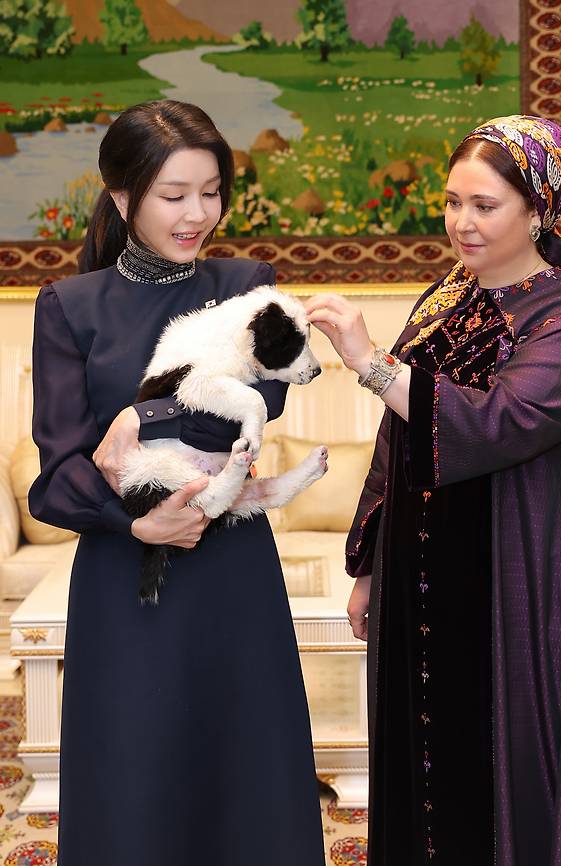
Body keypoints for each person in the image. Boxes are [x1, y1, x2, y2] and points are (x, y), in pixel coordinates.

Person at [306, 115, 561, 866]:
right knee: (423, 764)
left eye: (484, 206)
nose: (461, 222)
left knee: (515, 771)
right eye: (452, 201)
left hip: (521, 587)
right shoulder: (446, 297)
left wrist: (369, 360)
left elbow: (498, 423)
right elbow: (399, 446)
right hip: (422, 577)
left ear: (538, 210)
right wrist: (368, 565)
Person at [28, 99, 324, 865]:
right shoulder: (68, 307)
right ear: (122, 197)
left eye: (213, 191)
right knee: (134, 778)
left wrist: (136, 418)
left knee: (250, 772)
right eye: (174, 195)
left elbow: (258, 407)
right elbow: (57, 478)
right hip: (130, 580)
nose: (199, 214)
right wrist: (136, 524)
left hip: (233, 574)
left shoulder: (248, 284)